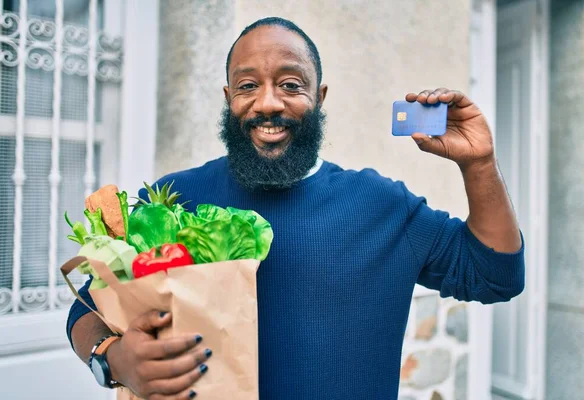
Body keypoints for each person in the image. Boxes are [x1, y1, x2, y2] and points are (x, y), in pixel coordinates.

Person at [67, 17, 525, 400]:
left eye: (290, 84)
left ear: (319, 98)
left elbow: (496, 275)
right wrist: (113, 359)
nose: (268, 103)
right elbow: (86, 308)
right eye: (248, 86)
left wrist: (479, 164)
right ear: (228, 100)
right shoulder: (169, 201)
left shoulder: (382, 205)